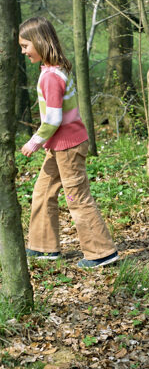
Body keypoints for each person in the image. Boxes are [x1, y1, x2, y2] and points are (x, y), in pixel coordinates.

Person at [19, 16, 119, 268]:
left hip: (68, 146)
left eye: (25, 46)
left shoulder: (52, 76)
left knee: (77, 197)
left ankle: (101, 253)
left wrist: (34, 142)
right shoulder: (52, 69)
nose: (23, 52)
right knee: (43, 191)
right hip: (58, 145)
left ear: (40, 42)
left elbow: (53, 119)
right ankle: (43, 247)